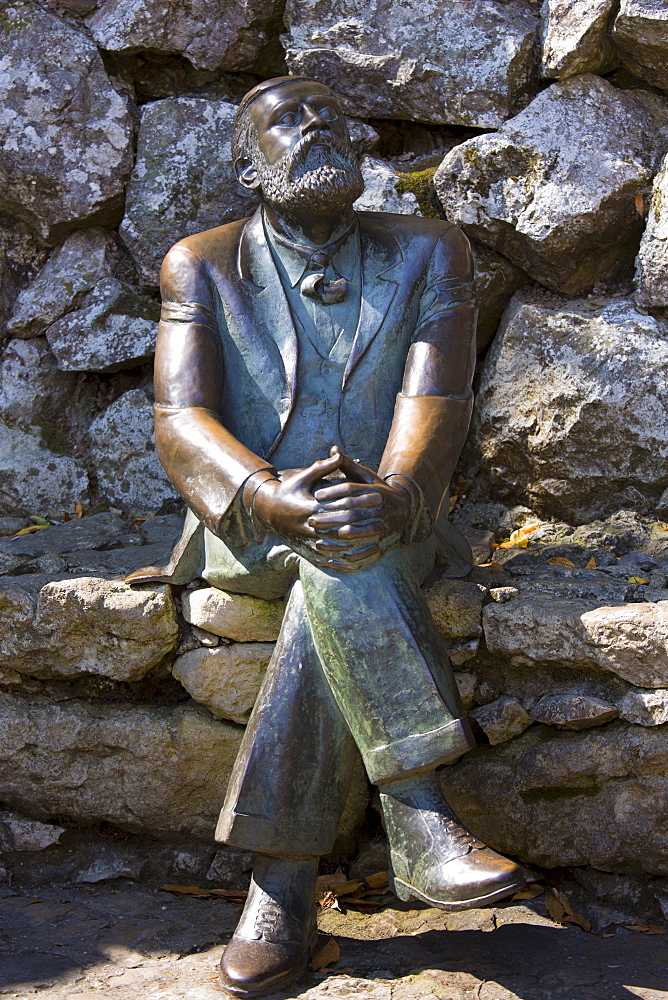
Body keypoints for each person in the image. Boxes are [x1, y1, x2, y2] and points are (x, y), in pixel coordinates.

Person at [128, 75, 532, 997]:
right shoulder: (203, 262)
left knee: (346, 555)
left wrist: (390, 496)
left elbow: (438, 398)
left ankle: (279, 889)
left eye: (330, 114)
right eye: (286, 117)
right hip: (252, 519)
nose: (317, 126)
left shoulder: (432, 251)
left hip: (393, 515)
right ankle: (419, 813)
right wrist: (271, 498)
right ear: (246, 162)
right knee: (327, 552)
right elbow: (179, 418)